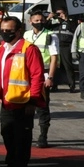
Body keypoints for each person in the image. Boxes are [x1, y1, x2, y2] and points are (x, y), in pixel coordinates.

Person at [0, 16, 47, 167]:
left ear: (18, 31)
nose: (5, 33)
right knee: (7, 135)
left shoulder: (29, 49)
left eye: (9, 31)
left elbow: (37, 76)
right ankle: (10, 166)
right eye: (3, 30)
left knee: (21, 140)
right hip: (7, 101)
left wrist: (32, 101)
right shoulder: (2, 48)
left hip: (23, 103)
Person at [23, 11, 58, 148]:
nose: (39, 22)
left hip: (43, 75)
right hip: (26, 75)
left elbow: (54, 57)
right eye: (36, 20)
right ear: (30, 22)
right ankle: (27, 134)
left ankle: (43, 136)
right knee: (26, 107)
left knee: (42, 108)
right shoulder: (26, 35)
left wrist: (50, 77)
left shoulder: (51, 35)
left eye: (41, 20)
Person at [51, 7, 78, 92]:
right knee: (55, 66)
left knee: (68, 66)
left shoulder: (70, 22)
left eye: (61, 13)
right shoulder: (53, 22)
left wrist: (65, 19)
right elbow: (45, 26)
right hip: (55, 46)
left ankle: (72, 85)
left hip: (66, 46)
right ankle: (54, 85)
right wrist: (49, 17)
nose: (59, 15)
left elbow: (74, 28)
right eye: (57, 13)